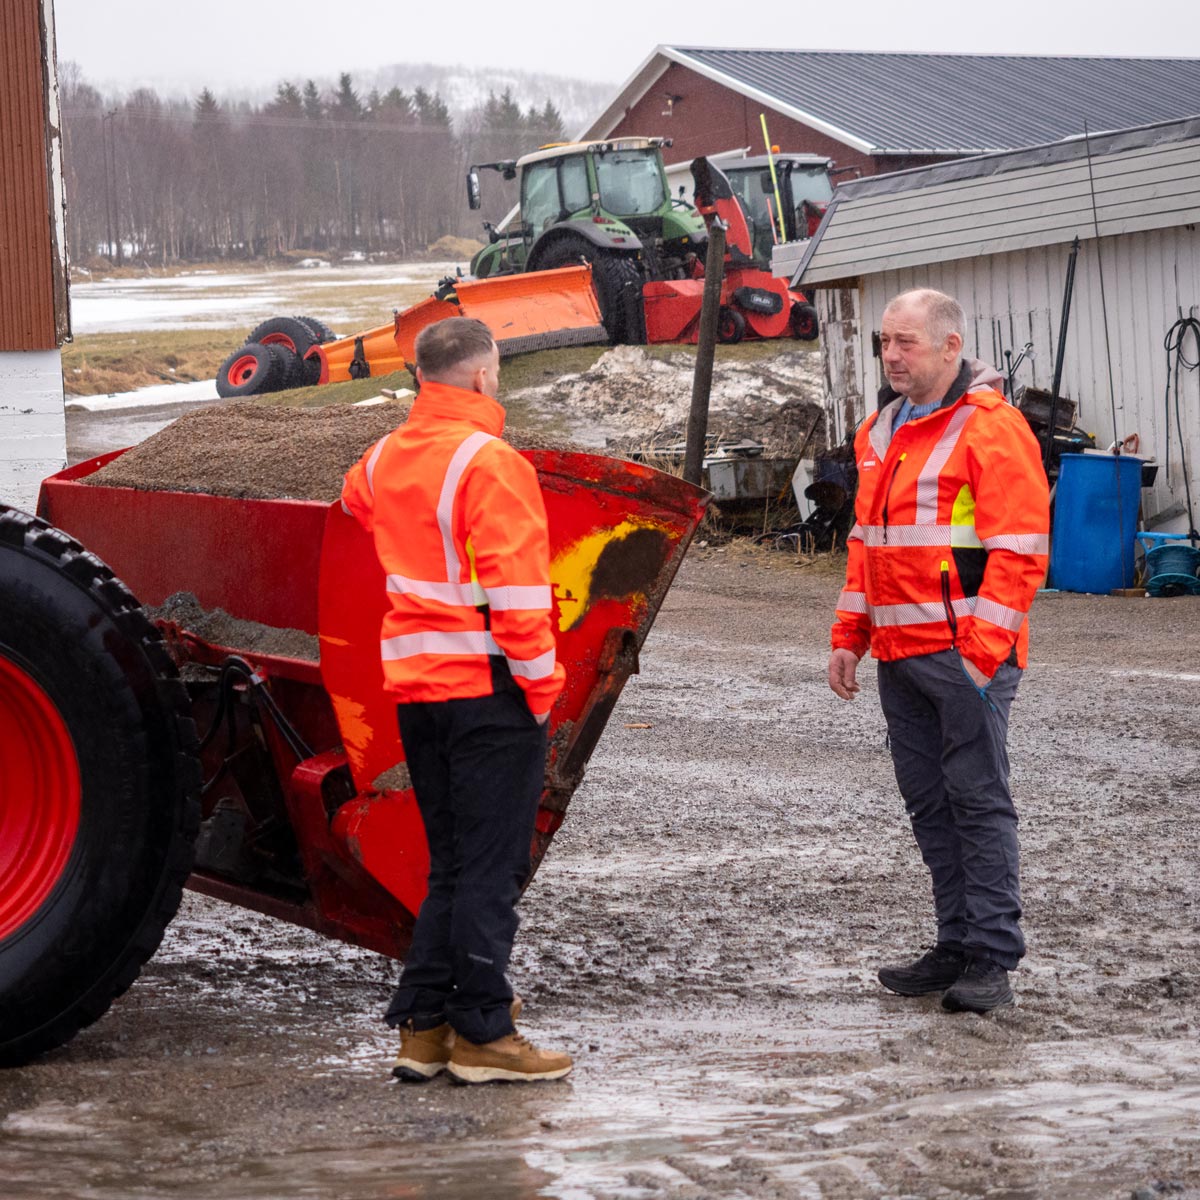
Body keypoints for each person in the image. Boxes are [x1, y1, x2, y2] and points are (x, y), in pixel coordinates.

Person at [341, 317, 572, 1083]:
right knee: (490, 868)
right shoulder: (491, 461)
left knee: (450, 864)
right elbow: (516, 592)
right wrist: (542, 689)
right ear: (482, 376)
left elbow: (355, 504)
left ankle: (425, 1029)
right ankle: (484, 1034)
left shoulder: (379, 460)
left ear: (419, 377)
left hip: (419, 688)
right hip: (489, 687)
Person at [827, 288, 1050, 1014]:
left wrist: (980, 655)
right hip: (899, 653)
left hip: (962, 658)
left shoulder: (990, 427)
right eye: (885, 342)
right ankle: (955, 943)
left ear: (951, 347)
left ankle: (990, 957)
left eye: (906, 343)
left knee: (978, 803)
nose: (891, 355)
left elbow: (1020, 551)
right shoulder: (881, 430)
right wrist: (848, 637)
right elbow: (868, 545)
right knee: (931, 806)